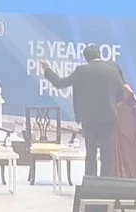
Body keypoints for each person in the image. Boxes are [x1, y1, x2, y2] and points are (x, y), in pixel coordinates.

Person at [40, 44, 124, 177]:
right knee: (107, 156)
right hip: (109, 119)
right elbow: (122, 94)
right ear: (100, 54)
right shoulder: (113, 71)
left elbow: (60, 83)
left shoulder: (81, 71)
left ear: (86, 58)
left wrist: (47, 69)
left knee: (90, 154)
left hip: (89, 119)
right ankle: (106, 183)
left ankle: (90, 182)